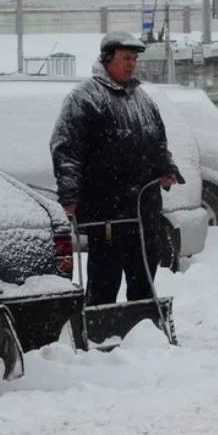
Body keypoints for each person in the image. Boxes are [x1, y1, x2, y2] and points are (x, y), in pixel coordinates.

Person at [50, 32, 184, 305]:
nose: (131, 64)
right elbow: (66, 149)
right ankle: (102, 332)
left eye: (134, 58)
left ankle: (144, 324)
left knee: (144, 273)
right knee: (104, 277)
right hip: (106, 210)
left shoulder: (143, 100)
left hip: (143, 210)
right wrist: (69, 195)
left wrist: (166, 168)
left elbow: (158, 143)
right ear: (107, 58)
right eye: (125, 58)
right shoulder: (84, 99)